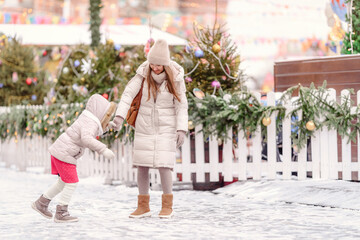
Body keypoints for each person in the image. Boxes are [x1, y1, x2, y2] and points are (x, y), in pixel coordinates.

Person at [110, 39, 188, 218]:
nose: (155, 67)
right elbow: (128, 94)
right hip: (144, 126)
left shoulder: (175, 78)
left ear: (166, 64)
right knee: (142, 165)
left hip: (166, 128)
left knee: (164, 165)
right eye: (152, 63)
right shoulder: (143, 74)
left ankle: (167, 206)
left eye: (159, 65)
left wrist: (181, 129)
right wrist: (119, 117)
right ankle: (143, 206)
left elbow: (181, 105)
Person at [32, 94, 116, 223]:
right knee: (72, 182)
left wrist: (108, 126)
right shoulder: (90, 123)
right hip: (64, 154)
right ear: (100, 113)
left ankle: (41, 203)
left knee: (62, 183)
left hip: (59, 151)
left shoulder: (88, 119)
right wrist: (103, 149)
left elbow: (92, 132)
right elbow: (87, 138)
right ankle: (61, 213)